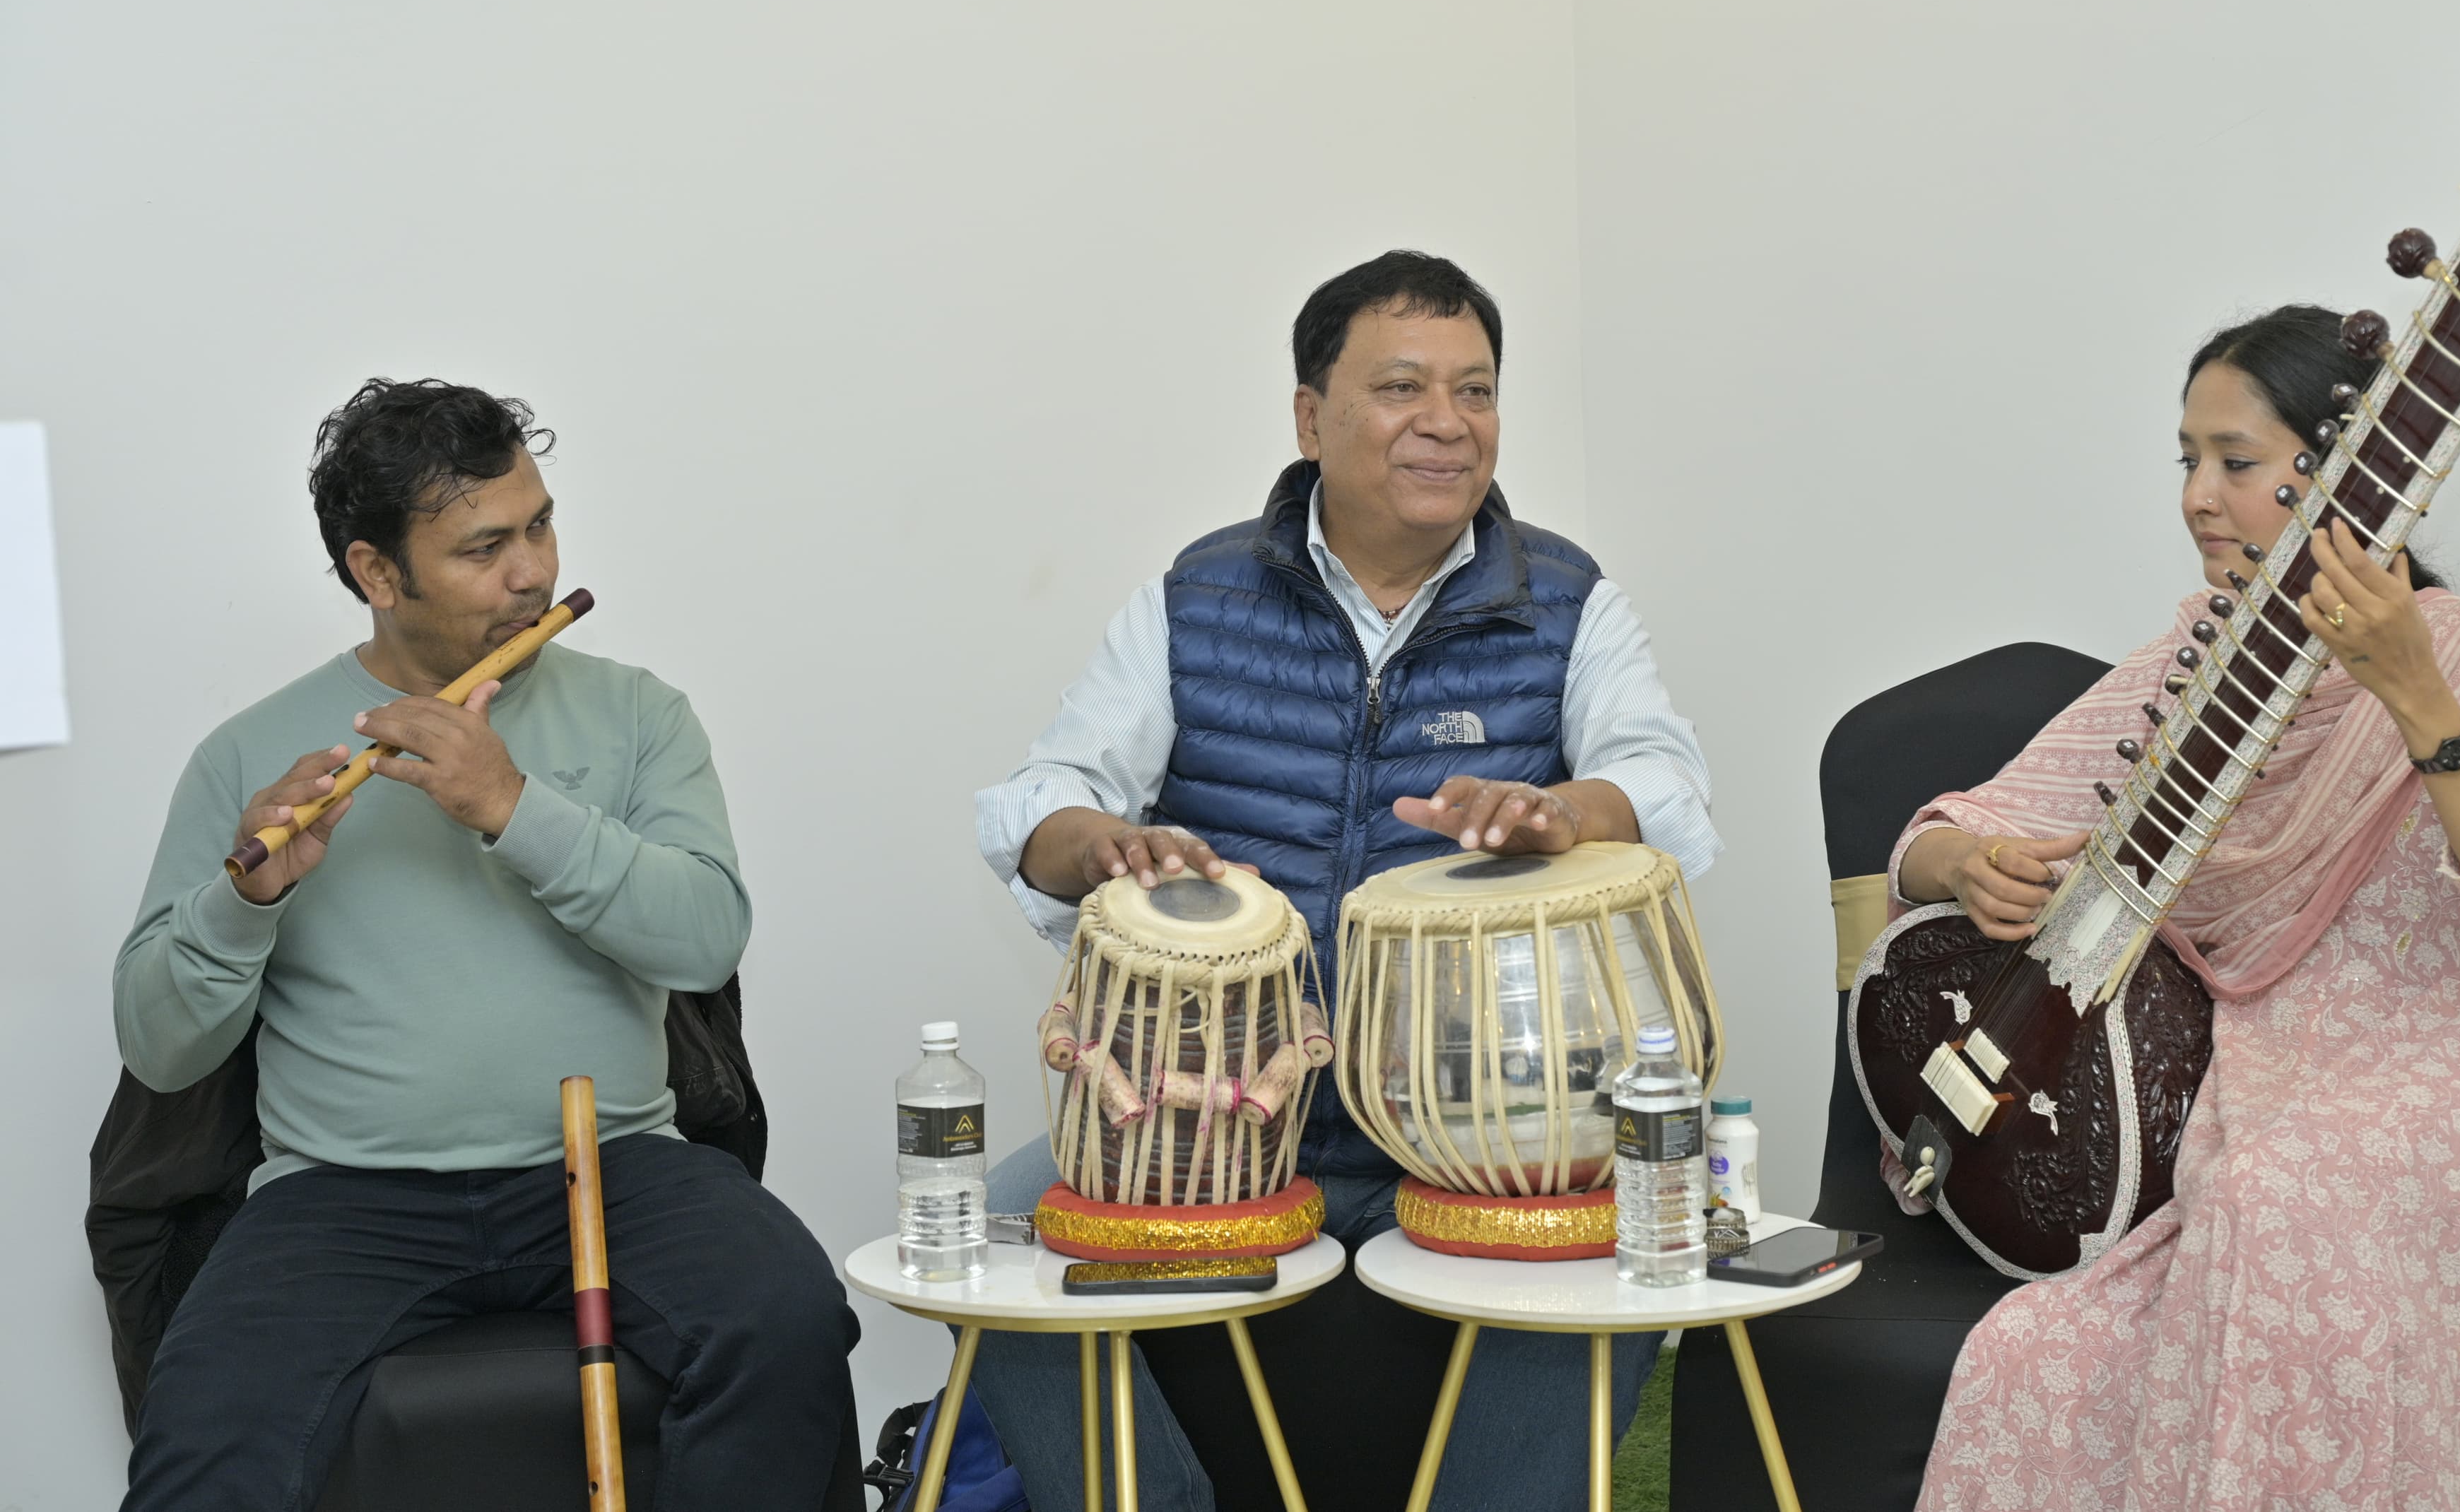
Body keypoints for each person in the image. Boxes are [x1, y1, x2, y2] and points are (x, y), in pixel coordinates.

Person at [1890, 307, 2460, 1508]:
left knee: (2289, 1198)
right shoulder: (2193, 676)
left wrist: (2415, 693)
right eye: (2187, 460)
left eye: (2237, 462)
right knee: (2040, 1358)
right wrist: (1963, 863)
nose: (2198, 498)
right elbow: (1936, 831)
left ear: (2351, 477)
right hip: (2291, 1078)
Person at [972, 250, 1720, 1510]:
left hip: (1493, 1131)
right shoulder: (1195, 598)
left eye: (1477, 391)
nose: (1448, 422)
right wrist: (1104, 846)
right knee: (994, 1234)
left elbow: (1667, 787)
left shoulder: (1568, 600)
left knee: (1653, 1223)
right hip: (1217, 1118)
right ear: (1311, 416)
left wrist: (1557, 814)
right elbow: (1042, 800)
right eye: (1403, 388)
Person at [113, 380, 857, 1511]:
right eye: (484, 548)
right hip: (346, 1194)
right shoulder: (247, 750)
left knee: (790, 1320)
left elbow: (706, 941)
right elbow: (160, 1052)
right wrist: (242, 903)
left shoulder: (640, 716)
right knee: (205, 1431)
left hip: (611, 1167)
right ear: (376, 574)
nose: (534, 573)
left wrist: (515, 806)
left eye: (541, 525)